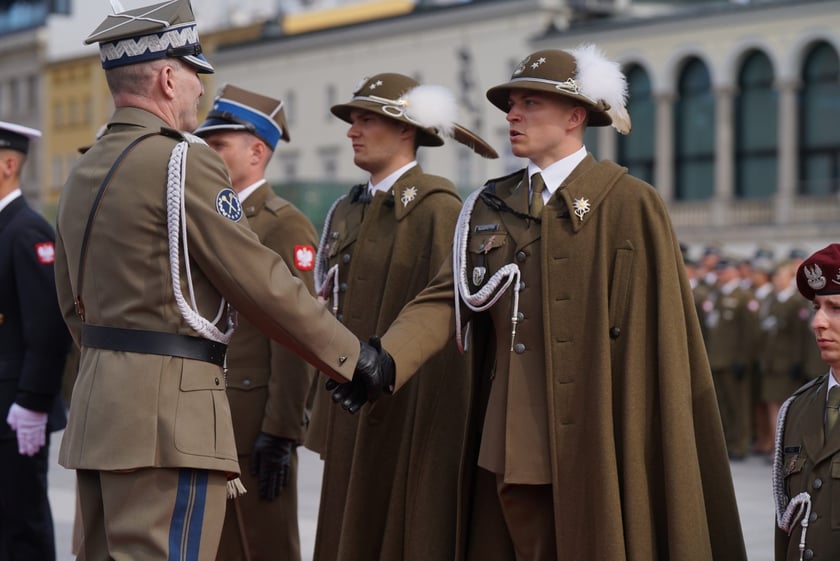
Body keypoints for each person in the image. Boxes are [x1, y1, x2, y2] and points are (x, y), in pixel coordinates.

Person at [330, 46, 748, 560]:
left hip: (602, 427)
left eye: (530, 103)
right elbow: (447, 296)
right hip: (507, 430)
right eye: (511, 104)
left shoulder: (628, 203)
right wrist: (385, 359)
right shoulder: (489, 203)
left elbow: (658, 336)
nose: (513, 115)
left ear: (575, 117)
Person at [53, 2, 382, 560]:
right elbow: (258, 282)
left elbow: (71, 302)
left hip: (99, 414)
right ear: (165, 77)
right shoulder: (184, 163)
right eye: (193, 76)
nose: (199, 94)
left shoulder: (83, 170)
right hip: (169, 423)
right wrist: (354, 359)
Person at [304, 72, 496, 561]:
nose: (352, 130)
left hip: (405, 406)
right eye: (352, 120)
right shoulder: (348, 209)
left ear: (406, 130)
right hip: (350, 397)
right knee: (346, 528)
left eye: (366, 119)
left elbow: (447, 321)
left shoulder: (437, 207)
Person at [193, 84, 316, 561]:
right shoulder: (207, 217)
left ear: (257, 151)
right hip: (208, 415)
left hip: (254, 421)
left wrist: (282, 429)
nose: (208, 153)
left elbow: (297, 333)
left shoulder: (282, 224)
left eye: (219, 145)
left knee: (262, 546)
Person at [0, 121, 70, 561]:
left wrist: (33, 402)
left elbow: (48, 328)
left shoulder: (26, 231)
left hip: (15, 414)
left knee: (22, 528)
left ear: (8, 164)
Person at [773, 243, 840, 561]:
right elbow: (785, 527)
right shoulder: (796, 409)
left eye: (835, 308)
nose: (818, 323)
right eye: (816, 308)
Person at [702, 256, 760, 460]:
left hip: (734, 361)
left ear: (734, 272)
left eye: (724, 271)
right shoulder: (716, 295)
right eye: (718, 271)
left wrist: (743, 359)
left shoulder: (744, 297)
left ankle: (740, 445)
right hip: (716, 359)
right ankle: (726, 443)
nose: (720, 274)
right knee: (722, 406)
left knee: (739, 406)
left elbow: (750, 332)